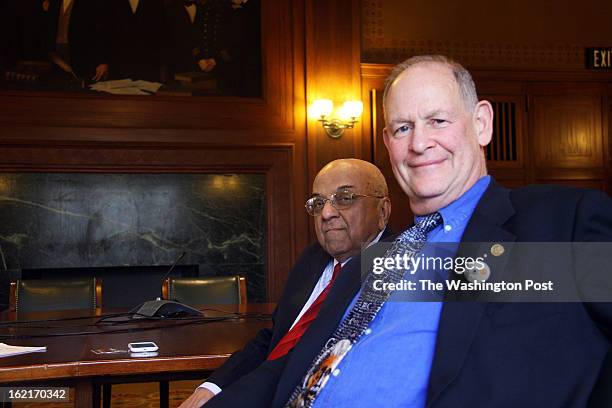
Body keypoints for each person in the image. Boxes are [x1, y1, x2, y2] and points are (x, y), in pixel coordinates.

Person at [206, 55, 612, 408]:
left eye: (438, 121)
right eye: (403, 128)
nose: (419, 143)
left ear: (482, 124)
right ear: (388, 142)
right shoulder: (370, 262)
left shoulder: (558, 222)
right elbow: (291, 367)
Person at [178, 158, 392, 408]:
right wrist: (213, 387)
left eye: (344, 198)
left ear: (383, 211)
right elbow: (275, 337)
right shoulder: (312, 258)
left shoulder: (398, 263)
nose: (326, 213)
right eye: (318, 203)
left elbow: (308, 357)